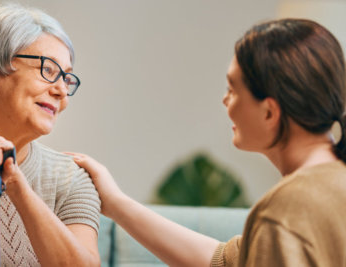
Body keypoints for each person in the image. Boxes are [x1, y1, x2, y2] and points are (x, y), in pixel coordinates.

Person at [68, 18, 346, 266]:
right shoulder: (327, 185)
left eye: (232, 89)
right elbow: (224, 261)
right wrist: (115, 203)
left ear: (269, 112)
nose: (225, 101)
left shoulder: (288, 209)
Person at [0, 4, 100, 267]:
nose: (62, 91)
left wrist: (16, 184)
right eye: (49, 70)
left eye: (67, 78)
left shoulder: (71, 178)